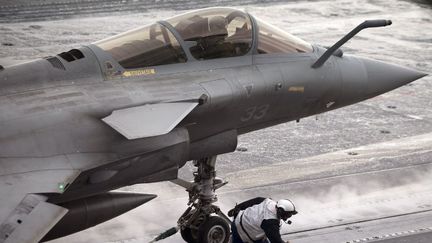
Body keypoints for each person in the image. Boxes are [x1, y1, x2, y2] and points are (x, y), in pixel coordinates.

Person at [228, 197, 297, 243]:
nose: (288, 217)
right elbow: (276, 241)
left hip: (238, 220)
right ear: (281, 211)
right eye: (288, 215)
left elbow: (254, 201)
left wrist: (237, 208)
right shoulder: (270, 222)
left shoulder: (268, 201)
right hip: (242, 233)